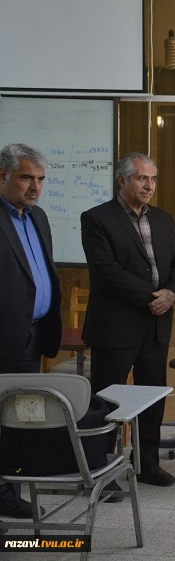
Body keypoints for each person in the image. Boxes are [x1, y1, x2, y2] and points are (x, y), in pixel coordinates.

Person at [81, 153, 175, 488]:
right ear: (122, 180)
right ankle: (102, 469)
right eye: (142, 178)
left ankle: (147, 464)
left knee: (151, 398)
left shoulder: (163, 219)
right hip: (116, 325)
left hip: (156, 325)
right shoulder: (97, 218)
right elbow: (106, 271)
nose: (149, 186)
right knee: (107, 401)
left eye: (153, 179)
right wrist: (153, 297)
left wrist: (172, 292)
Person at [0, 143, 62, 518]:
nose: (35, 186)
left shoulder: (38, 217)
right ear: (2, 176)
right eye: (26, 177)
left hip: (34, 336)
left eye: (40, 179)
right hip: (4, 337)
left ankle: (10, 493)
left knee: (19, 419)